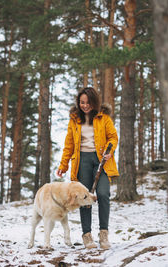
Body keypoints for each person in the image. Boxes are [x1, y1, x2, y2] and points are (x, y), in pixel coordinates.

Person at [56, 87, 119, 249]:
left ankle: (104, 234)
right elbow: (69, 144)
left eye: (88, 102)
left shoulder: (103, 118)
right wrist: (63, 165)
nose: (85, 105)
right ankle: (87, 235)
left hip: (101, 161)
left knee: (103, 194)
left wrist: (109, 151)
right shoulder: (74, 119)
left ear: (94, 102)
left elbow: (113, 136)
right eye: (82, 102)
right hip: (81, 161)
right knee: (84, 199)